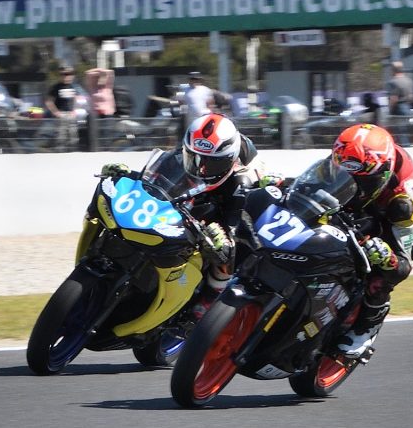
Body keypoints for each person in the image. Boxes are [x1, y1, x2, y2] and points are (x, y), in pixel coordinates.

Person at [100, 113, 258, 314]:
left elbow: (236, 229)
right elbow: (154, 176)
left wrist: (224, 240)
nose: (201, 169)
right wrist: (130, 177)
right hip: (187, 197)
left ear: (228, 161)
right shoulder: (192, 150)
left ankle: (205, 305)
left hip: (222, 207)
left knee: (227, 257)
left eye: (211, 164)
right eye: (193, 158)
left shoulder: (241, 182)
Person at [329, 123, 413, 358]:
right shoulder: (348, 154)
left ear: (382, 173)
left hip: (398, 217)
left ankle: (368, 325)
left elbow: (403, 265)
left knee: (384, 271)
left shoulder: (404, 199)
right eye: (345, 175)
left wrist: (388, 256)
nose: (351, 183)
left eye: (360, 180)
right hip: (370, 199)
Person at [44, 65, 80, 150]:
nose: (67, 76)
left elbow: (75, 98)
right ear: (61, 75)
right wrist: (56, 112)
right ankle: (60, 154)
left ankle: (73, 153)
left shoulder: (73, 86)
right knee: (61, 136)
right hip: (61, 115)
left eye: (70, 74)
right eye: (64, 74)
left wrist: (74, 110)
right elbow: (49, 101)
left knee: (73, 136)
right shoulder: (56, 87)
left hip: (71, 115)